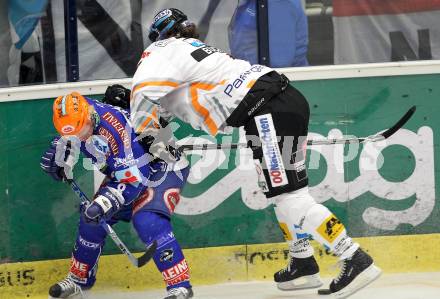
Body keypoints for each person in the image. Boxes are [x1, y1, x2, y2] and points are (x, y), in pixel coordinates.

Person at [129, 8, 382, 298]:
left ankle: (353, 257)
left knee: (290, 198)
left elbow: (143, 96)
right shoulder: (195, 49)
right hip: (282, 100)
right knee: (280, 191)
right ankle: (302, 260)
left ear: (158, 36)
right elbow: (172, 103)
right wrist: (157, 127)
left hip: (266, 112)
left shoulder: (161, 50)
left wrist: (151, 137)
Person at [40, 91, 193, 299]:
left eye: (81, 130)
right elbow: (70, 139)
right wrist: (61, 158)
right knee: (90, 220)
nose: (79, 137)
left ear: (91, 117)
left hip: (162, 166)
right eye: (72, 133)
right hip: (126, 170)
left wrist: (104, 203)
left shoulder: (115, 129)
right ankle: (78, 280)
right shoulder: (79, 117)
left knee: (147, 220)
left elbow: (134, 181)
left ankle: (180, 285)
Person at [228, 0, 309, 67]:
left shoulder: (278, 5)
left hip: (276, 80)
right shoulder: (250, 3)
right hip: (247, 74)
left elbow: (279, 61)